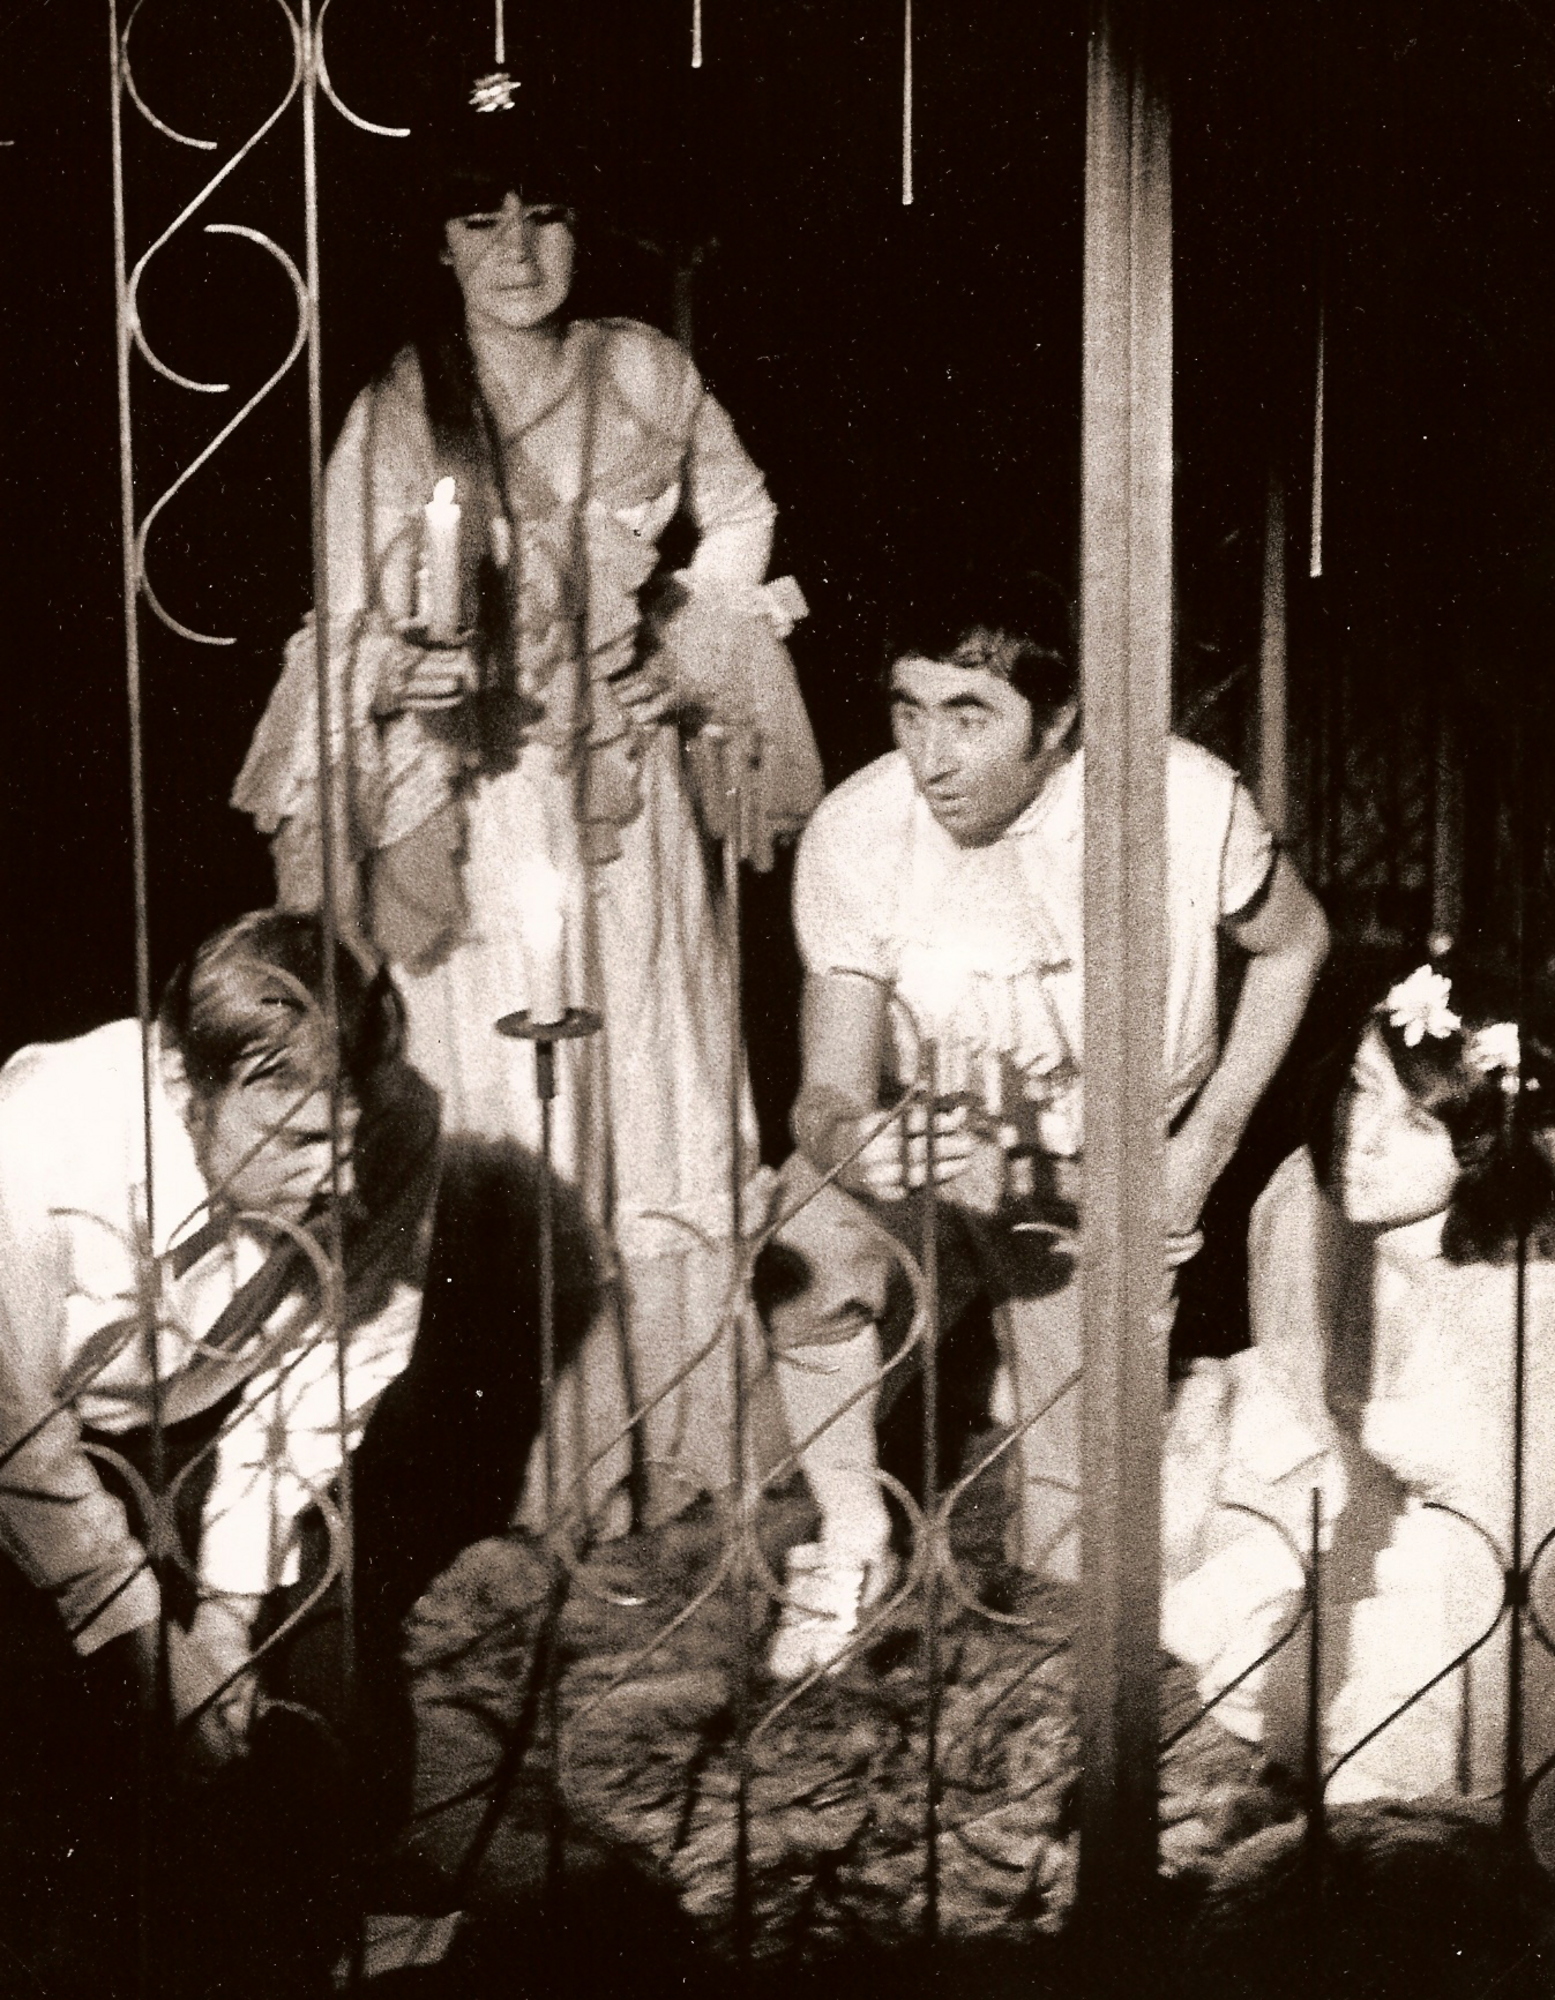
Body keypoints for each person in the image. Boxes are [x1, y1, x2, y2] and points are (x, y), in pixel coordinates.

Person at [233, 91, 819, 1538]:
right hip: (485, 806)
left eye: (542, 213)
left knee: (659, 1076)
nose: (515, 247)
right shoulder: (396, 412)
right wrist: (409, 667)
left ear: (579, 225)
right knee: (509, 1098)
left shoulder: (643, 366)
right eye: (479, 218)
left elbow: (742, 511)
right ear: (438, 243)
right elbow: (347, 617)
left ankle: (682, 1439)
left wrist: (685, 630)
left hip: (624, 795)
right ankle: (531, 1457)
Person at [755, 571, 1330, 1678]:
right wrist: (849, 1143)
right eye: (909, 711)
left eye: (969, 716)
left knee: (1074, 1560)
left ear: (1058, 718)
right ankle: (855, 1537)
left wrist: (1196, 1152)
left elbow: (1295, 943)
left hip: (1091, 1184)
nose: (929, 757)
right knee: (804, 1243)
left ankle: (1056, 1382)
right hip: (928, 1161)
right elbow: (824, 1090)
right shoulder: (858, 828)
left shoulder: (1184, 802)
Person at [0, 911, 437, 1763]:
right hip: (38, 1453)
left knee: (332, 1703)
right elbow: (14, 1425)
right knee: (82, 1735)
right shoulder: (37, 1139)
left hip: (213, 1432)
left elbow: (321, 1378)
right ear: (180, 1082)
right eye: (300, 1139)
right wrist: (146, 1640)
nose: (339, 1178)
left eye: (348, 1138)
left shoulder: (399, 1130)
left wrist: (228, 1617)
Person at [1162, 957, 1555, 1823]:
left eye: (1416, 1122)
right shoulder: (1303, 1206)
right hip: (1370, 1503)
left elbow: (1521, 1563)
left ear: (1488, 1146)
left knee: (1390, 1757)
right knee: (1233, 1599)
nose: (1361, 1139)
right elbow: (1309, 1392)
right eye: (1360, 1088)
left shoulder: (1527, 1304)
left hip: (1491, 1574)